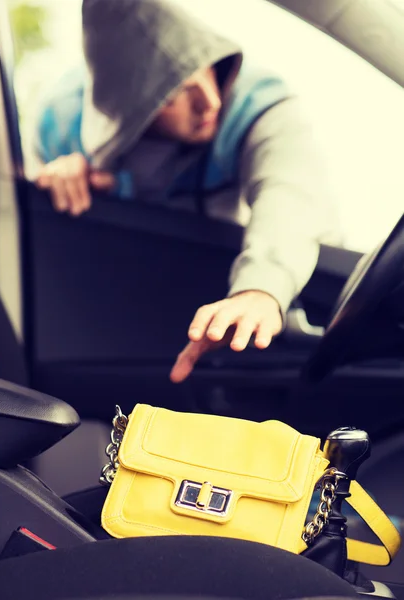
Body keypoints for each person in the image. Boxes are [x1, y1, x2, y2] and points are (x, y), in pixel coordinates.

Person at [32, 0, 342, 383]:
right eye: (175, 93)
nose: (209, 100)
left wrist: (261, 288)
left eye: (206, 69)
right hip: (132, 317)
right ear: (130, 110)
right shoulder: (61, 124)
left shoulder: (257, 105)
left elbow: (291, 198)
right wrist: (63, 178)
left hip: (232, 281)